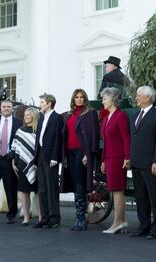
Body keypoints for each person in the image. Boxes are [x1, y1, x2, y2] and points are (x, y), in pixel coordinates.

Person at [129, 86, 156, 240]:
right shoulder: (135, 115)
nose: (136, 98)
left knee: (154, 197)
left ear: (147, 98)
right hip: (136, 163)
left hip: (150, 163)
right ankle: (143, 226)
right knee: (140, 197)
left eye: (139, 96)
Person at [61, 89, 100, 231]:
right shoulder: (68, 115)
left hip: (81, 153)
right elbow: (64, 136)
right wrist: (63, 156)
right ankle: (79, 217)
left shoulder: (90, 114)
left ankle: (81, 219)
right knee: (74, 185)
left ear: (85, 99)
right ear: (73, 99)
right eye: (77, 97)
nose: (79, 99)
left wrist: (87, 154)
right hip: (69, 153)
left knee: (80, 185)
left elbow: (94, 135)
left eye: (81, 97)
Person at [100, 87, 130, 234]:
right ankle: (121, 221)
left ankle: (118, 222)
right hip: (109, 158)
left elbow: (126, 138)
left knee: (117, 191)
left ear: (113, 99)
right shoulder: (107, 117)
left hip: (118, 158)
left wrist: (127, 157)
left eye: (105, 98)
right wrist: (104, 160)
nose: (102, 101)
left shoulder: (121, 116)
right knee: (114, 190)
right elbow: (105, 141)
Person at [33, 94, 63, 229]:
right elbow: (38, 139)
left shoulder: (57, 118)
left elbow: (58, 138)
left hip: (51, 157)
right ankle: (44, 217)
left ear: (49, 103)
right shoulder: (41, 118)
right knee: (42, 189)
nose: (40, 104)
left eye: (42, 102)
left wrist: (55, 157)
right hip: (40, 156)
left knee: (51, 188)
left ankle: (54, 218)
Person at [10, 107, 41, 226]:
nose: (26, 116)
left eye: (29, 114)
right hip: (22, 165)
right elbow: (15, 147)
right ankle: (26, 217)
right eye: (25, 115)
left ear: (34, 115)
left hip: (37, 165)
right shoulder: (20, 131)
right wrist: (13, 161)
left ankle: (40, 217)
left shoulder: (39, 130)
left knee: (38, 192)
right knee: (24, 192)